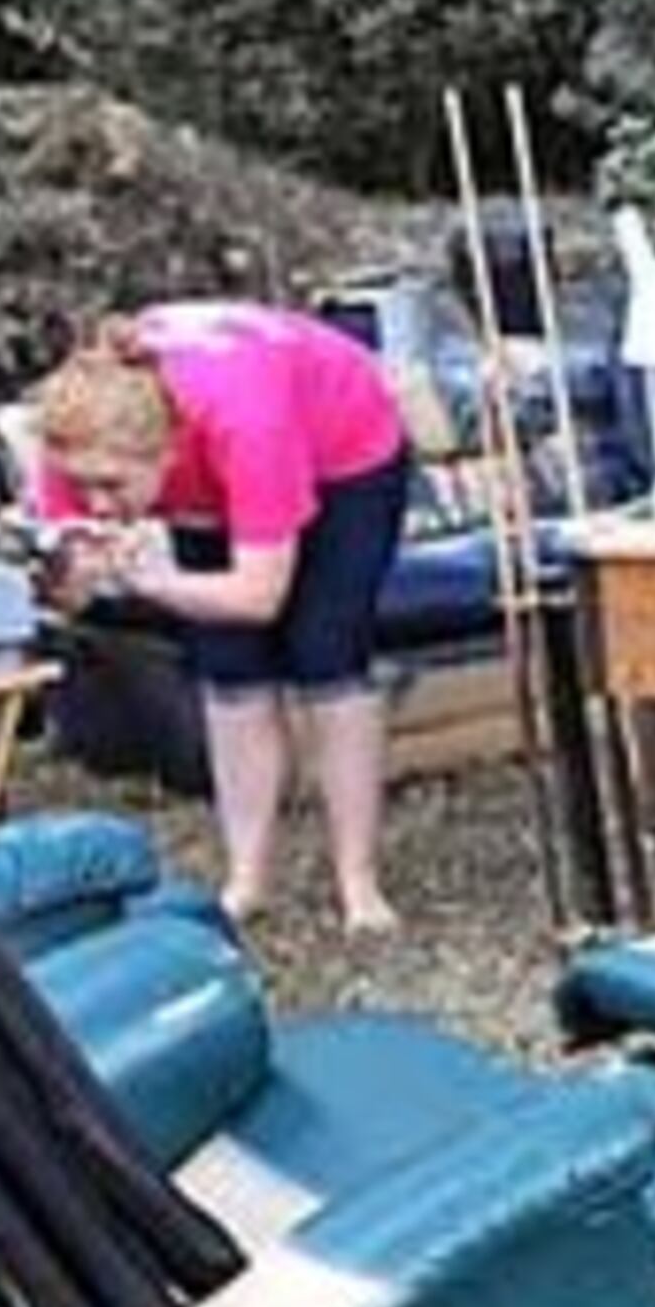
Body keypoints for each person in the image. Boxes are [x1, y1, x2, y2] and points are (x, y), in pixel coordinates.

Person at [30, 303, 414, 931]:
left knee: (327, 654)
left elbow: (258, 595)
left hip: (344, 443)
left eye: (112, 487)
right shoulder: (75, 442)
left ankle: (358, 883)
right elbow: (69, 587)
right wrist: (61, 576)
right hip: (213, 455)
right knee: (229, 667)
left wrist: (148, 580)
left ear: (167, 452)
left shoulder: (247, 426)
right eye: (85, 487)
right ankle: (246, 880)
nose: (96, 503)